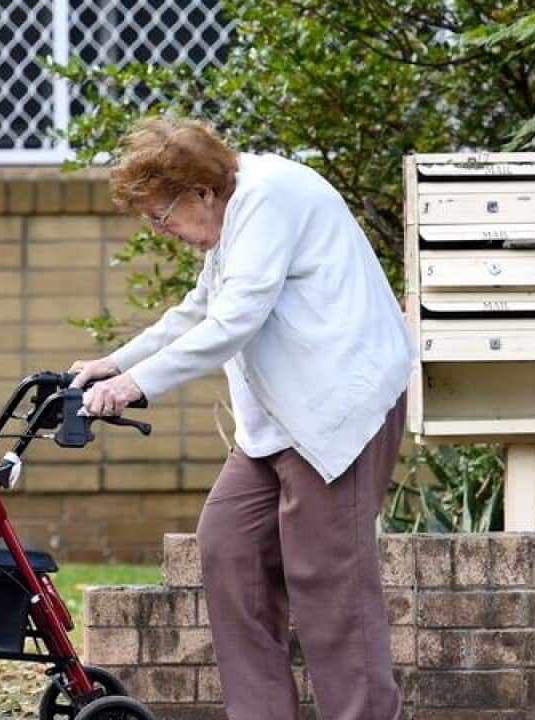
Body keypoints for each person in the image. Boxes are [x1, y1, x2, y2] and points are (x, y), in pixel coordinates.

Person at [69, 115, 414, 720]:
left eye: (162, 214)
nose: (162, 230)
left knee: (331, 589)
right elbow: (201, 307)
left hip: (337, 412)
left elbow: (234, 321)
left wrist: (133, 386)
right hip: (277, 425)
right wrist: (113, 362)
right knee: (229, 549)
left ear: (200, 192)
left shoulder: (268, 197)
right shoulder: (231, 214)